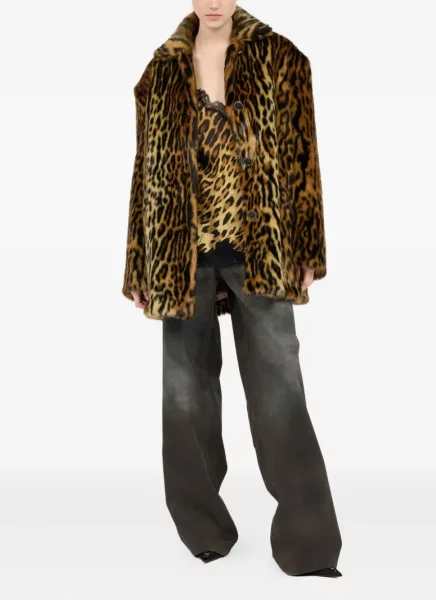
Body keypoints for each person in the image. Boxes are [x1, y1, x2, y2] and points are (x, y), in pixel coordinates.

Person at [121, 0, 343, 578]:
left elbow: (303, 158)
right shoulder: (161, 68)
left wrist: (309, 247)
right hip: (181, 255)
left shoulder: (281, 57)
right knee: (185, 399)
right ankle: (203, 533)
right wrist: (139, 264)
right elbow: (145, 171)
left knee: (279, 393)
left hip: (259, 250)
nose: (214, 1)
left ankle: (309, 546)